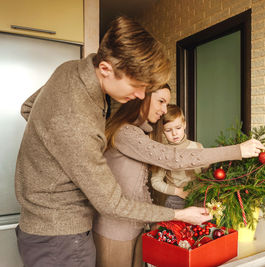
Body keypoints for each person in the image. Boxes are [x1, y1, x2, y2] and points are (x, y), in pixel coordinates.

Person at [14, 16, 225, 267]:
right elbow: (113, 204)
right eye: (136, 86)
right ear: (105, 69)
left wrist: (61, 154)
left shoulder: (69, 69)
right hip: (61, 238)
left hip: (43, 230)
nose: (139, 95)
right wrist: (179, 214)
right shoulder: (77, 122)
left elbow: (27, 108)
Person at [92, 85, 265, 267]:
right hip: (116, 231)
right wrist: (237, 151)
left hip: (137, 225)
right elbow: (174, 159)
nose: (164, 110)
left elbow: (137, 188)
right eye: (161, 101)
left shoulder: (142, 134)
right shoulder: (126, 133)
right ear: (142, 97)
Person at [151, 104, 203, 209]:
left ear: (184, 124)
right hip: (177, 200)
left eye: (178, 128)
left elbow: (207, 173)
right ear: (162, 131)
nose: (174, 133)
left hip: (200, 197)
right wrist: (178, 192)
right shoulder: (163, 153)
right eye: (168, 130)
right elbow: (156, 181)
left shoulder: (198, 146)